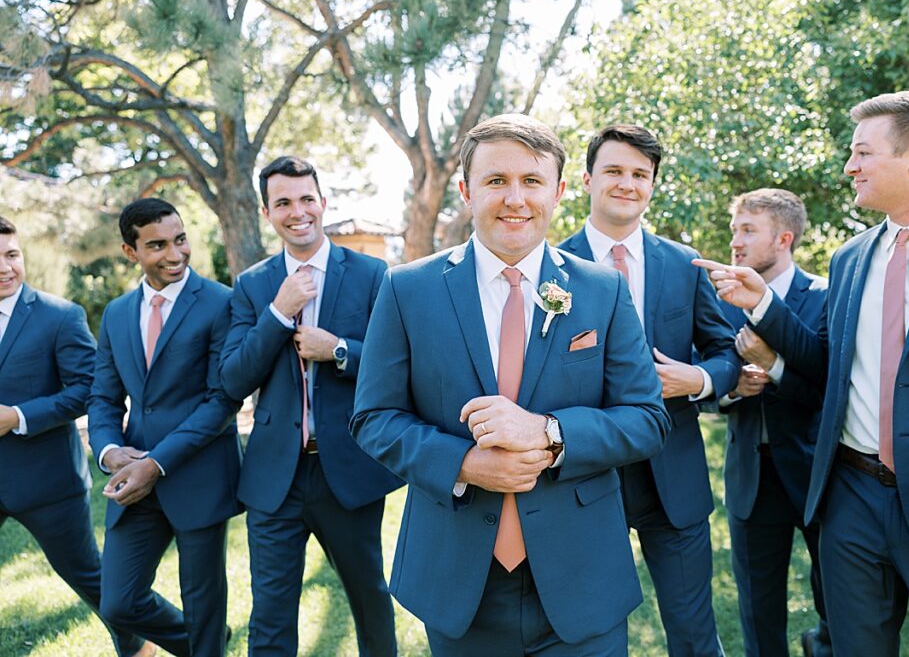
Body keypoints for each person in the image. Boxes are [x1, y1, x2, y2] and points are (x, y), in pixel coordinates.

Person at [696, 90, 909, 656]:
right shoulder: (850, 257)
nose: (850, 167)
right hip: (849, 502)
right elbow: (828, 365)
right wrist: (763, 306)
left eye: (862, 153)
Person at [351, 114, 670, 656]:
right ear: (466, 191)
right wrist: (463, 464)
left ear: (560, 190)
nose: (515, 198)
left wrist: (549, 434)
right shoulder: (408, 288)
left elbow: (646, 418)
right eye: (496, 181)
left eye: (532, 181)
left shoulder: (603, 291)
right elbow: (373, 419)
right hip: (458, 580)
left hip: (582, 575)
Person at [559, 124, 737, 656]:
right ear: (588, 179)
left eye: (640, 174)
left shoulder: (684, 264)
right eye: (614, 171)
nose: (627, 184)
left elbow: (724, 351)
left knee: (694, 634)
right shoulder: (551, 267)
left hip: (673, 478)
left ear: (652, 185)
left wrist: (699, 379)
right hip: (584, 478)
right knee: (587, 634)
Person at [220, 156, 401, 656]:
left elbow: (397, 364)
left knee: (370, 600)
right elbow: (233, 378)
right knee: (271, 616)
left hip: (347, 471)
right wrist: (278, 312)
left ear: (323, 203)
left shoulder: (370, 274)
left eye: (306, 199)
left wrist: (338, 350)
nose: (297, 212)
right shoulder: (253, 286)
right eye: (283, 203)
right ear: (266, 212)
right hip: (274, 477)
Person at [88, 198, 241, 657]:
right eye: (157, 245)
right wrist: (109, 451)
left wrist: (157, 463)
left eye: (180, 240)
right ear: (130, 251)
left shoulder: (221, 303)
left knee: (204, 606)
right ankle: (207, 646)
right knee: (118, 602)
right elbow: (103, 398)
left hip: (199, 474)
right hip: (133, 479)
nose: (175, 254)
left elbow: (222, 402)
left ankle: (208, 643)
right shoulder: (116, 313)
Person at [0, 215, 152, 657]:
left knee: (94, 580)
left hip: (48, 483)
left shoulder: (61, 317)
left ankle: (149, 646)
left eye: (11, 255)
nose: (5, 268)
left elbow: (87, 390)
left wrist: (18, 416)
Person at [716, 189, 830, 657]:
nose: (736, 242)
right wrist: (729, 387)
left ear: (783, 238)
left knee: (835, 594)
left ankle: (823, 646)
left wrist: (774, 365)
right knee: (759, 611)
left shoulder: (824, 296)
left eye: (748, 230)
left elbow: (825, 386)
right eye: (734, 231)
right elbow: (709, 372)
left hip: (816, 473)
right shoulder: (722, 301)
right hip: (751, 476)